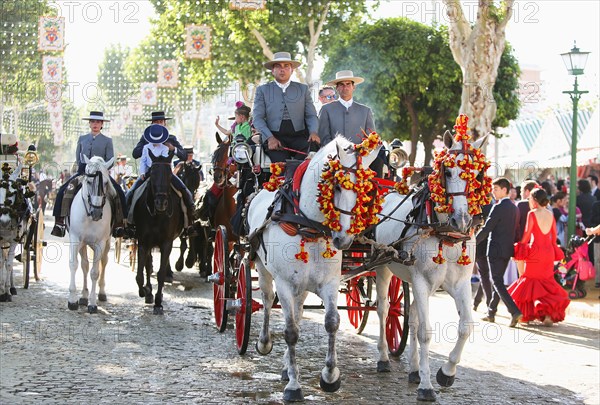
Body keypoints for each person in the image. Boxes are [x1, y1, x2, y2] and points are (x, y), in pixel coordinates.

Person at [51, 111, 126, 238]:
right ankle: (60, 222)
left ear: (102, 124)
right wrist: (85, 168)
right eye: (93, 122)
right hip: (84, 172)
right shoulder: (82, 139)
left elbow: (110, 160)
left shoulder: (107, 140)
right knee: (64, 190)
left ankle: (120, 224)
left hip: (101, 174)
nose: (95, 124)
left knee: (119, 192)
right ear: (89, 123)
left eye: (98, 122)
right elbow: (78, 157)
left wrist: (101, 168)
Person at [508, 188, 570, 326]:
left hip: (535, 251)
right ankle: (547, 315)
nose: (529, 201)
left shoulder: (532, 214)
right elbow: (554, 239)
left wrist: (518, 248)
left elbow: (526, 235)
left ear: (535, 200)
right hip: (548, 252)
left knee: (530, 281)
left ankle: (528, 314)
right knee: (547, 282)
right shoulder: (550, 214)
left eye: (530, 198)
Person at [125, 124, 197, 237]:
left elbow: (182, 156)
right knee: (130, 192)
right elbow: (141, 159)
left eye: (160, 121)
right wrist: (143, 173)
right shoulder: (145, 142)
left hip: (166, 174)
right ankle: (128, 223)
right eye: (155, 121)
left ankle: (189, 223)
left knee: (185, 190)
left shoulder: (171, 140)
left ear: (164, 123)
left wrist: (173, 149)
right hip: (149, 172)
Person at [252, 51, 320, 162]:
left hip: (299, 137)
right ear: (273, 71)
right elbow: (257, 118)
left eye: (286, 66)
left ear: (292, 70)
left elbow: (311, 115)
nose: (282, 69)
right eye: (278, 66)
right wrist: (270, 138)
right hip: (275, 137)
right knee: (280, 165)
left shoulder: (303, 89)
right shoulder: (263, 90)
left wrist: (313, 132)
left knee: (308, 161)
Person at [475, 177, 523, 327]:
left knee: (497, 281)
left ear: (504, 190)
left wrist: (472, 243)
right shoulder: (514, 207)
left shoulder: (498, 207)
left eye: (495, 189)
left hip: (495, 250)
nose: (493, 192)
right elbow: (515, 231)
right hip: (507, 249)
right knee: (498, 281)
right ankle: (491, 312)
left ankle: (514, 311)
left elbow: (487, 228)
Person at [318, 70, 385, 175]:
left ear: (354, 87)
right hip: (334, 158)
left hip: (361, 159)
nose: (345, 87)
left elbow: (370, 138)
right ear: (337, 88)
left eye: (348, 84)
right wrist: (338, 154)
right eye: (341, 84)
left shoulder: (365, 111)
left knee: (379, 161)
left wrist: (360, 154)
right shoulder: (326, 109)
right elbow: (324, 137)